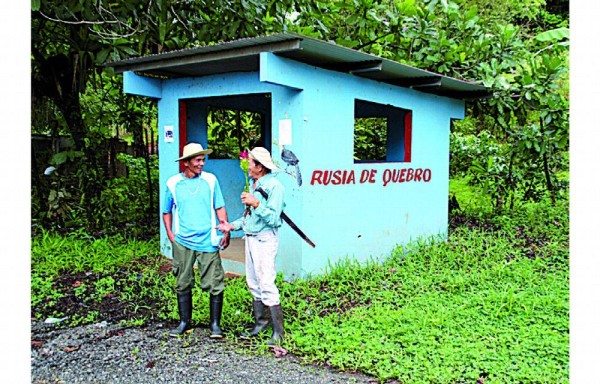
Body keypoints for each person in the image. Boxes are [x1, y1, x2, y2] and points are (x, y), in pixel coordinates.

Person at [217, 147, 286, 345]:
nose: (247, 165)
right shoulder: (255, 184)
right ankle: (261, 323)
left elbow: (273, 218)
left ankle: (278, 333)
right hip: (251, 237)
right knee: (253, 282)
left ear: (260, 167)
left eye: (251, 163)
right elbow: (249, 217)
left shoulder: (275, 187)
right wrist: (232, 225)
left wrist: (257, 204)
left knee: (266, 282)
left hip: (265, 238)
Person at [163, 142, 231, 338]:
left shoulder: (210, 180)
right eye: (198, 160)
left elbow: (219, 206)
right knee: (182, 281)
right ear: (186, 162)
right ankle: (185, 321)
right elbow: (166, 211)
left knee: (215, 281)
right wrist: (170, 234)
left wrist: (225, 229)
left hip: (208, 240)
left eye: (203, 160)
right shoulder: (173, 183)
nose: (202, 163)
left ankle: (215, 325)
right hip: (183, 241)